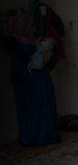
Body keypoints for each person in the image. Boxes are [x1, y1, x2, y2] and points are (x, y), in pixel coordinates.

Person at [5, 13, 61, 146]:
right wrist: (33, 44)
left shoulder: (36, 38)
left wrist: (51, 52)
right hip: (24, 83)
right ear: (22, 27)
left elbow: (54, 49)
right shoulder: (11, 41)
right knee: (28, 111)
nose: (34, 29)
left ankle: (48, 138)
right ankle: (30, 139)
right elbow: (18, 51)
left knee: (45, 109)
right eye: (31, 26)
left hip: (42, 80)